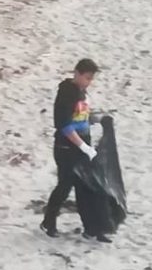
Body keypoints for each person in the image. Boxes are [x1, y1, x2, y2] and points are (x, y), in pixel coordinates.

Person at [40, 58, 112, 243]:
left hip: (82, 144)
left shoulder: (82, 93)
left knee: (87, 187)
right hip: (66, 147)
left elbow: (81, 117)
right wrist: (83, 146)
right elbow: (64, 125)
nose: (89, 82)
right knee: (65, 185)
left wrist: (97, 119)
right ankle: (49, 221)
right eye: (87, 77)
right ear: (77, 73)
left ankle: (92, 228)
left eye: (91, 79)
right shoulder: (66, 93)